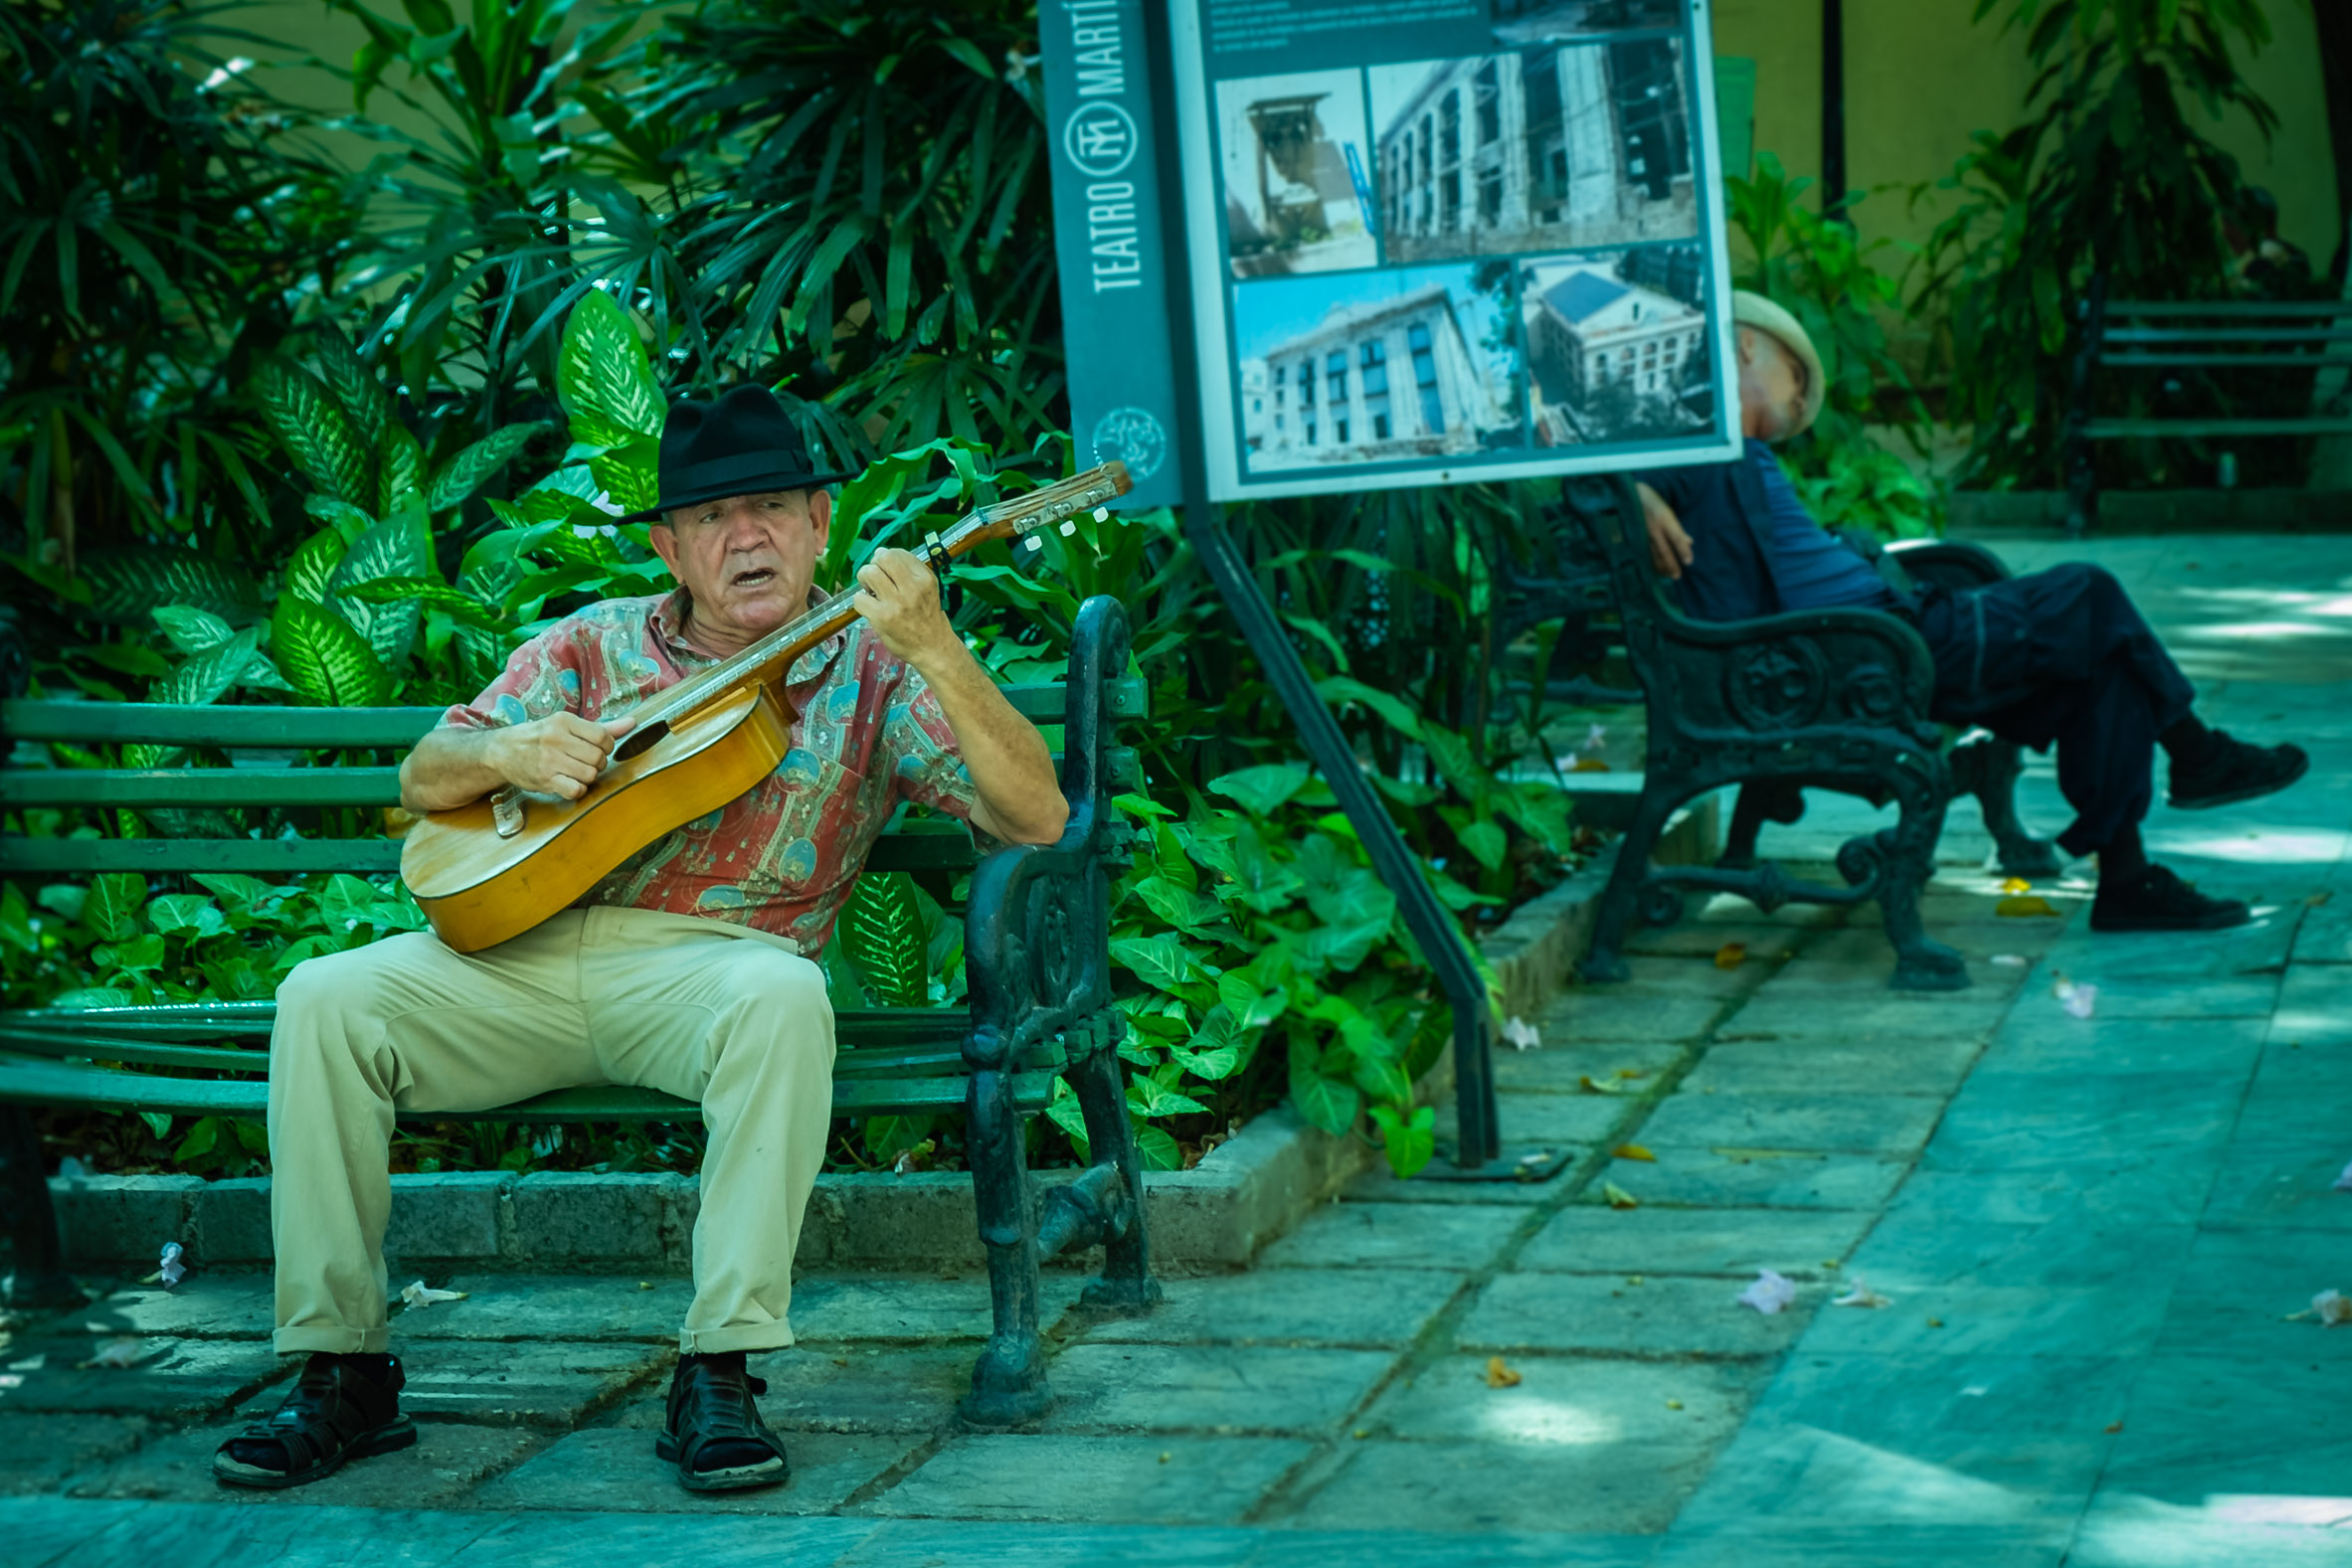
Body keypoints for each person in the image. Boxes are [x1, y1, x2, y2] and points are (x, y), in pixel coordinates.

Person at [212, 385, 1069, 1493]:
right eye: (713, 517)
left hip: (713, 977)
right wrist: (509, 754)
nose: (746, 535)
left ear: (820, 519)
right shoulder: (587, 643)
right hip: (514, 957)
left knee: (780, 997)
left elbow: (1036, 818)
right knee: (326, 996)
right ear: (670, 543)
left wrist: (939, 647)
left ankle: (719, 1364)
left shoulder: (876, 672)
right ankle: (341, 1370)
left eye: (770, 505)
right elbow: (423, 773)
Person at [1631, 291, 2306, 934]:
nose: (1804, 398)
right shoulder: (1699, 445)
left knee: (2103, 664)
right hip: (1880, 653)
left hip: (1882, 638)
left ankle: (2127, 881)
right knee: (2088, 592)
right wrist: (1632, 490)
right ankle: (2197, 755)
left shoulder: (1728, 454)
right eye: (1797, 377)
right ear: (1745, 348)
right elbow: (1588, 463)